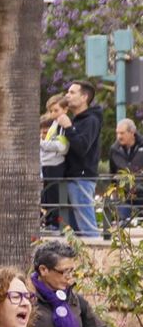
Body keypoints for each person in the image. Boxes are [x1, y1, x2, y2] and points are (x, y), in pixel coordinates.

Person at [58, 80, 103, 238]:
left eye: (72, 92)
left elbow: (82, 147)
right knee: (75, 232)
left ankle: (95, 262)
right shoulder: (77, 119)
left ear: (84, 97)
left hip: (81, 178)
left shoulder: (90, 120)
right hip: (71, 177)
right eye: (67, 92)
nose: (67, 96)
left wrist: (69, 128)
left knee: (87, 229)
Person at [41, 95, 70, 229]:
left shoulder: (62, 125)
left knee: (55, 197)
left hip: (55, 164)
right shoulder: (54, 124)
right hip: (47, 164)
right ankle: (50, 222)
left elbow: (61, 147)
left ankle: (55, 223)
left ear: (65, 109)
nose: (53, 114)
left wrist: (41, 144)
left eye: (56, 110)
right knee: (48, 198)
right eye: (51, 111)